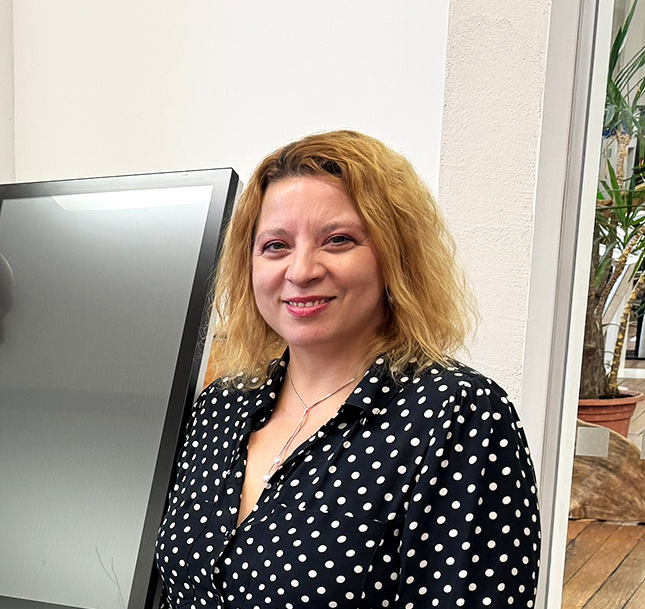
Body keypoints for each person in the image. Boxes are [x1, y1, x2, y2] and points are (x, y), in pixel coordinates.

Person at [154, 131, 540, 608]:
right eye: (275, 245)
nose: (301, 270)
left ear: (395, 257)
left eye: (338, 240)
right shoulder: (219, 407)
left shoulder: (459, 416)